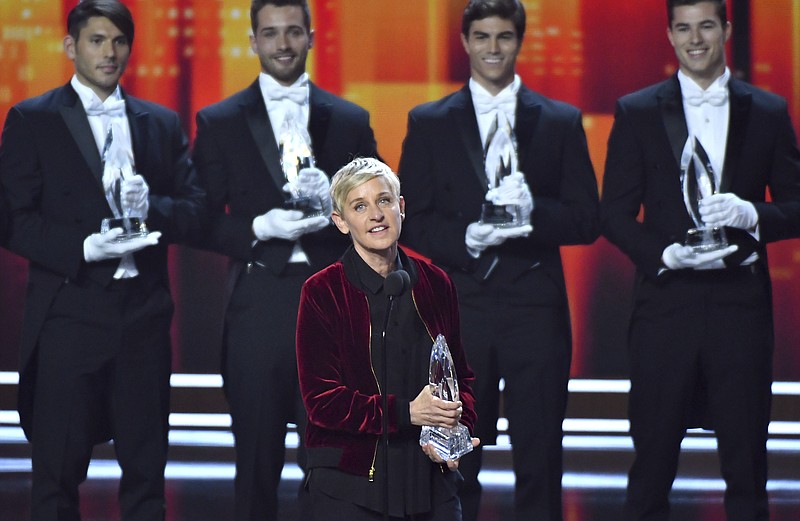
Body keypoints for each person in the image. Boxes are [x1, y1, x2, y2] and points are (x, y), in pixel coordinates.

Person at [0, 0, 206, 519]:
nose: (109, 52)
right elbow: (11, 219)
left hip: (143, 318)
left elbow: (196, 211)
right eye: (97, 40)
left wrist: (151, 208)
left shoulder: (158, 123)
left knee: (146, 481)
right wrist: (84, 247)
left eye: (119, 41)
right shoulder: (33, 119)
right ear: (71, 47)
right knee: (56, 477)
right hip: (70, 317)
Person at [397, 1, 600, 520]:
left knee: (540, 455)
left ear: (519, 41)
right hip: (460, 306)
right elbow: (411, 216)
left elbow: (585, 219)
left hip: (535, 305)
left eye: (503, 37)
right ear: (465, 42)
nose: (492, 48)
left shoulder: (559, 121)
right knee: (456, 455)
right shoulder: (429, 121)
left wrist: (534, 214)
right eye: (482, 37)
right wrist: (467, 235)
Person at [600, 1, 800, 519]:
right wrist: (661, 254)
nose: (695, 39)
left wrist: (751, 213)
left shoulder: (770, 111)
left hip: (741, 311)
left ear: (727, 30)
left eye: (706, 26)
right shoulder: (636, 110)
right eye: (683, 28)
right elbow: (614, 215)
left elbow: (797, 207)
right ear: (669, 34)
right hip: (666, 309)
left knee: (748, 474)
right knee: (650, 475)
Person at [191, 1, 380, 519]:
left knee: (337, 465)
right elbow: (197, 217)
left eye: (293, 31)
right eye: (270, 33)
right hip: (259, 306)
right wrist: (256, 227)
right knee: (255, 462)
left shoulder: (349, 120)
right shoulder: (219, 121)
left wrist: (339, 208)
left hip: (336, 305)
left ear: (311, 37)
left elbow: (381, 217)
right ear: (252, 41)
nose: (282, 43)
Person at [296, 157, 479, 521]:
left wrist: (459, 427)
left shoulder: (435, 283)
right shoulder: (322, 291)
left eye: (384, 201)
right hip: (352, 485)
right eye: (360, 206)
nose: (376, 214)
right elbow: (322, 401)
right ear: (341, 222)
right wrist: (407, 412)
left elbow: (463, 378)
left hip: (430, 481)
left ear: (402, 207)